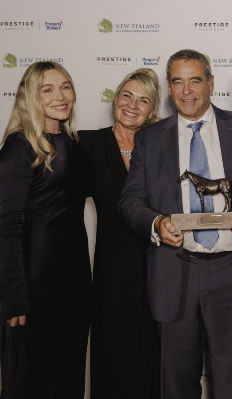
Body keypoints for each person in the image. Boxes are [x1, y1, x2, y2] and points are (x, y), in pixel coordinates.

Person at [117, 49, 232, 399]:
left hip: (231, 272)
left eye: (195, 80)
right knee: (175, 385)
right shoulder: (150, 137)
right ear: (169, 86)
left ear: (210, 83)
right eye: (178, 82)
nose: (187, 91)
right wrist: (157, 222)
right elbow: (129, 202)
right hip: (174, 273)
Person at [0, 61, 91, 398]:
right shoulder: (19, 147)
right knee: (31, 384)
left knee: (66, 380)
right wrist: (14, 298)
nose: (61, 96)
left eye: (65, 86)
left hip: (74, 284)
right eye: (48, 89)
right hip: (34, 287)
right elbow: (6, 226)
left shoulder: (72, 144)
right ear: (31, 97)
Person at [79, 68, 161, 399]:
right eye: (127, 95)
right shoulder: (86, 144)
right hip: (112, 269)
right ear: (115, 98)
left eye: (143, 100)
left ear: (153, 109)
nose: (132, 104)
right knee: (112, 356)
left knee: (154, 359)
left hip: (159, 267)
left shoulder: (161, 149)